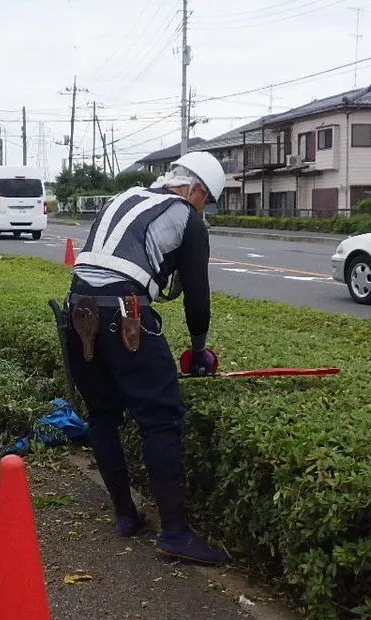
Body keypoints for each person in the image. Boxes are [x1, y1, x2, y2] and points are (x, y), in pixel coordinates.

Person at [64, 151, 228, 566]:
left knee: (102, 414)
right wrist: (198, 348)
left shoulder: (124, 196)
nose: (202, 209)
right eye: (205, 200)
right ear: (195, 189)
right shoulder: (187, 217)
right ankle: (174, 532)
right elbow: (197, 296)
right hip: (125, 315)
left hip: (76, 310)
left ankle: (125, 514)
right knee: (160, 418)